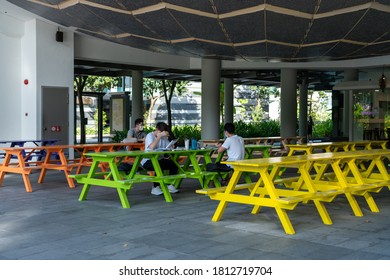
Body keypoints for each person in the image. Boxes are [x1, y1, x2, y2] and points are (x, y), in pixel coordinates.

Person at [141, 122, 179, 195]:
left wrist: (172, 145)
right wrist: (159, 137)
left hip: (159, 159)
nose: (162, 134)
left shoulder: (163, 137)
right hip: (148, 161)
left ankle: (169, 184)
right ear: (156, 129)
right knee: (159, 165)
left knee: (174, 165)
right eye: (161, 132)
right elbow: (151, 147)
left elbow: (168, 147)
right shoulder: (150, 135)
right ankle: (155, 187)